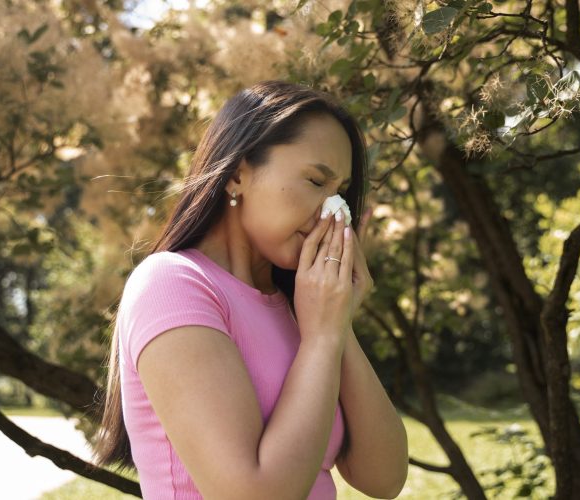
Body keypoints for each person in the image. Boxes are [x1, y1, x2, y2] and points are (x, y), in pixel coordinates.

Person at [93, 80, 408, 499]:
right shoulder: (172, 284)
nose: (334, 213)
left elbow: (383, 477)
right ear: (238, 174)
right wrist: (322, 337)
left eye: (341, 194)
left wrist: (337, 325)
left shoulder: (301, 310)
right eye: (316, 181)